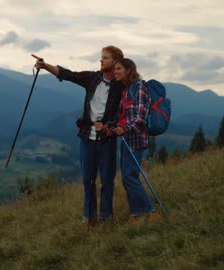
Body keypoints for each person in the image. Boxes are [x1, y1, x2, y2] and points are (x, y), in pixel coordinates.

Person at [35, 46, 124, 229]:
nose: (101, 60)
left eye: (105, 58)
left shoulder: (121, 86)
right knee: (88, 179)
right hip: (87, 137)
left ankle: (106, 218)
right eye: (101, 57)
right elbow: (68, 74)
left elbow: (124, 113)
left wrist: (110, 127)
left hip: (107, 139)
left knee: (107, 180)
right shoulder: (93, 78)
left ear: (115, 62)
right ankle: (89, 218)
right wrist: (45, 66)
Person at [111, 58, 162, 224]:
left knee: (130, 177)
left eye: (118, 68)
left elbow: (141, 117)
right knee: (127, 177)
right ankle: (136, 214)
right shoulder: (126, 91)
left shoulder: (140, 87)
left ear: (128, 70)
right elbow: (124, 117)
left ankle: (151, 212)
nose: (115, 72)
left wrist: (124, 128)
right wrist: (114, 127)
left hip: (136, 139)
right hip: (126, 138)